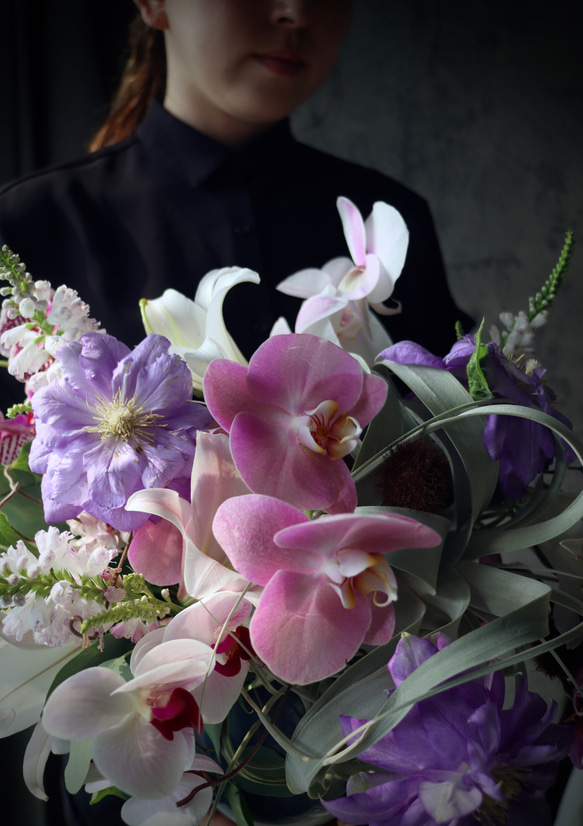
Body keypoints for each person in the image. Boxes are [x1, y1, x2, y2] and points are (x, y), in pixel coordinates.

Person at [0, 2, 472, 825]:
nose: (292, 11)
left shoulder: (384, 225)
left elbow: (451, 485)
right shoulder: (32, 230)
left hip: (366, 760)